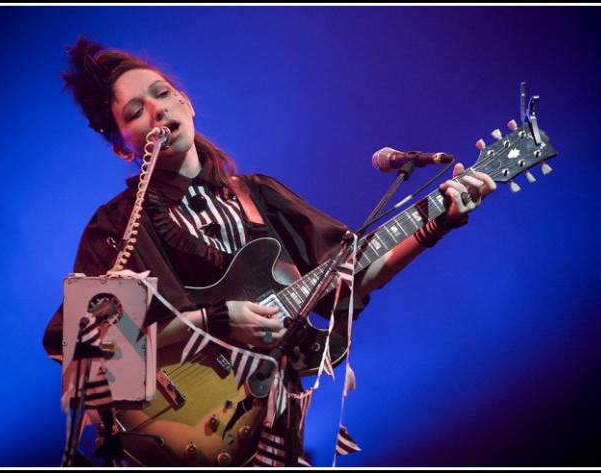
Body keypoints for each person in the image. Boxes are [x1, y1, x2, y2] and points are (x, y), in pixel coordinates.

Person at [43, 36, 496, 468]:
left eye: (162, 94)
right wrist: (214, 320)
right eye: (136, 112)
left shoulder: (258, 194)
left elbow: (352, 276)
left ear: (187, 103)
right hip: (176, 432)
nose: (157, 110)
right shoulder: (114, 227)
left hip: (275, 419)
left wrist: (438, 222)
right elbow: (91, 365)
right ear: (124, 147)